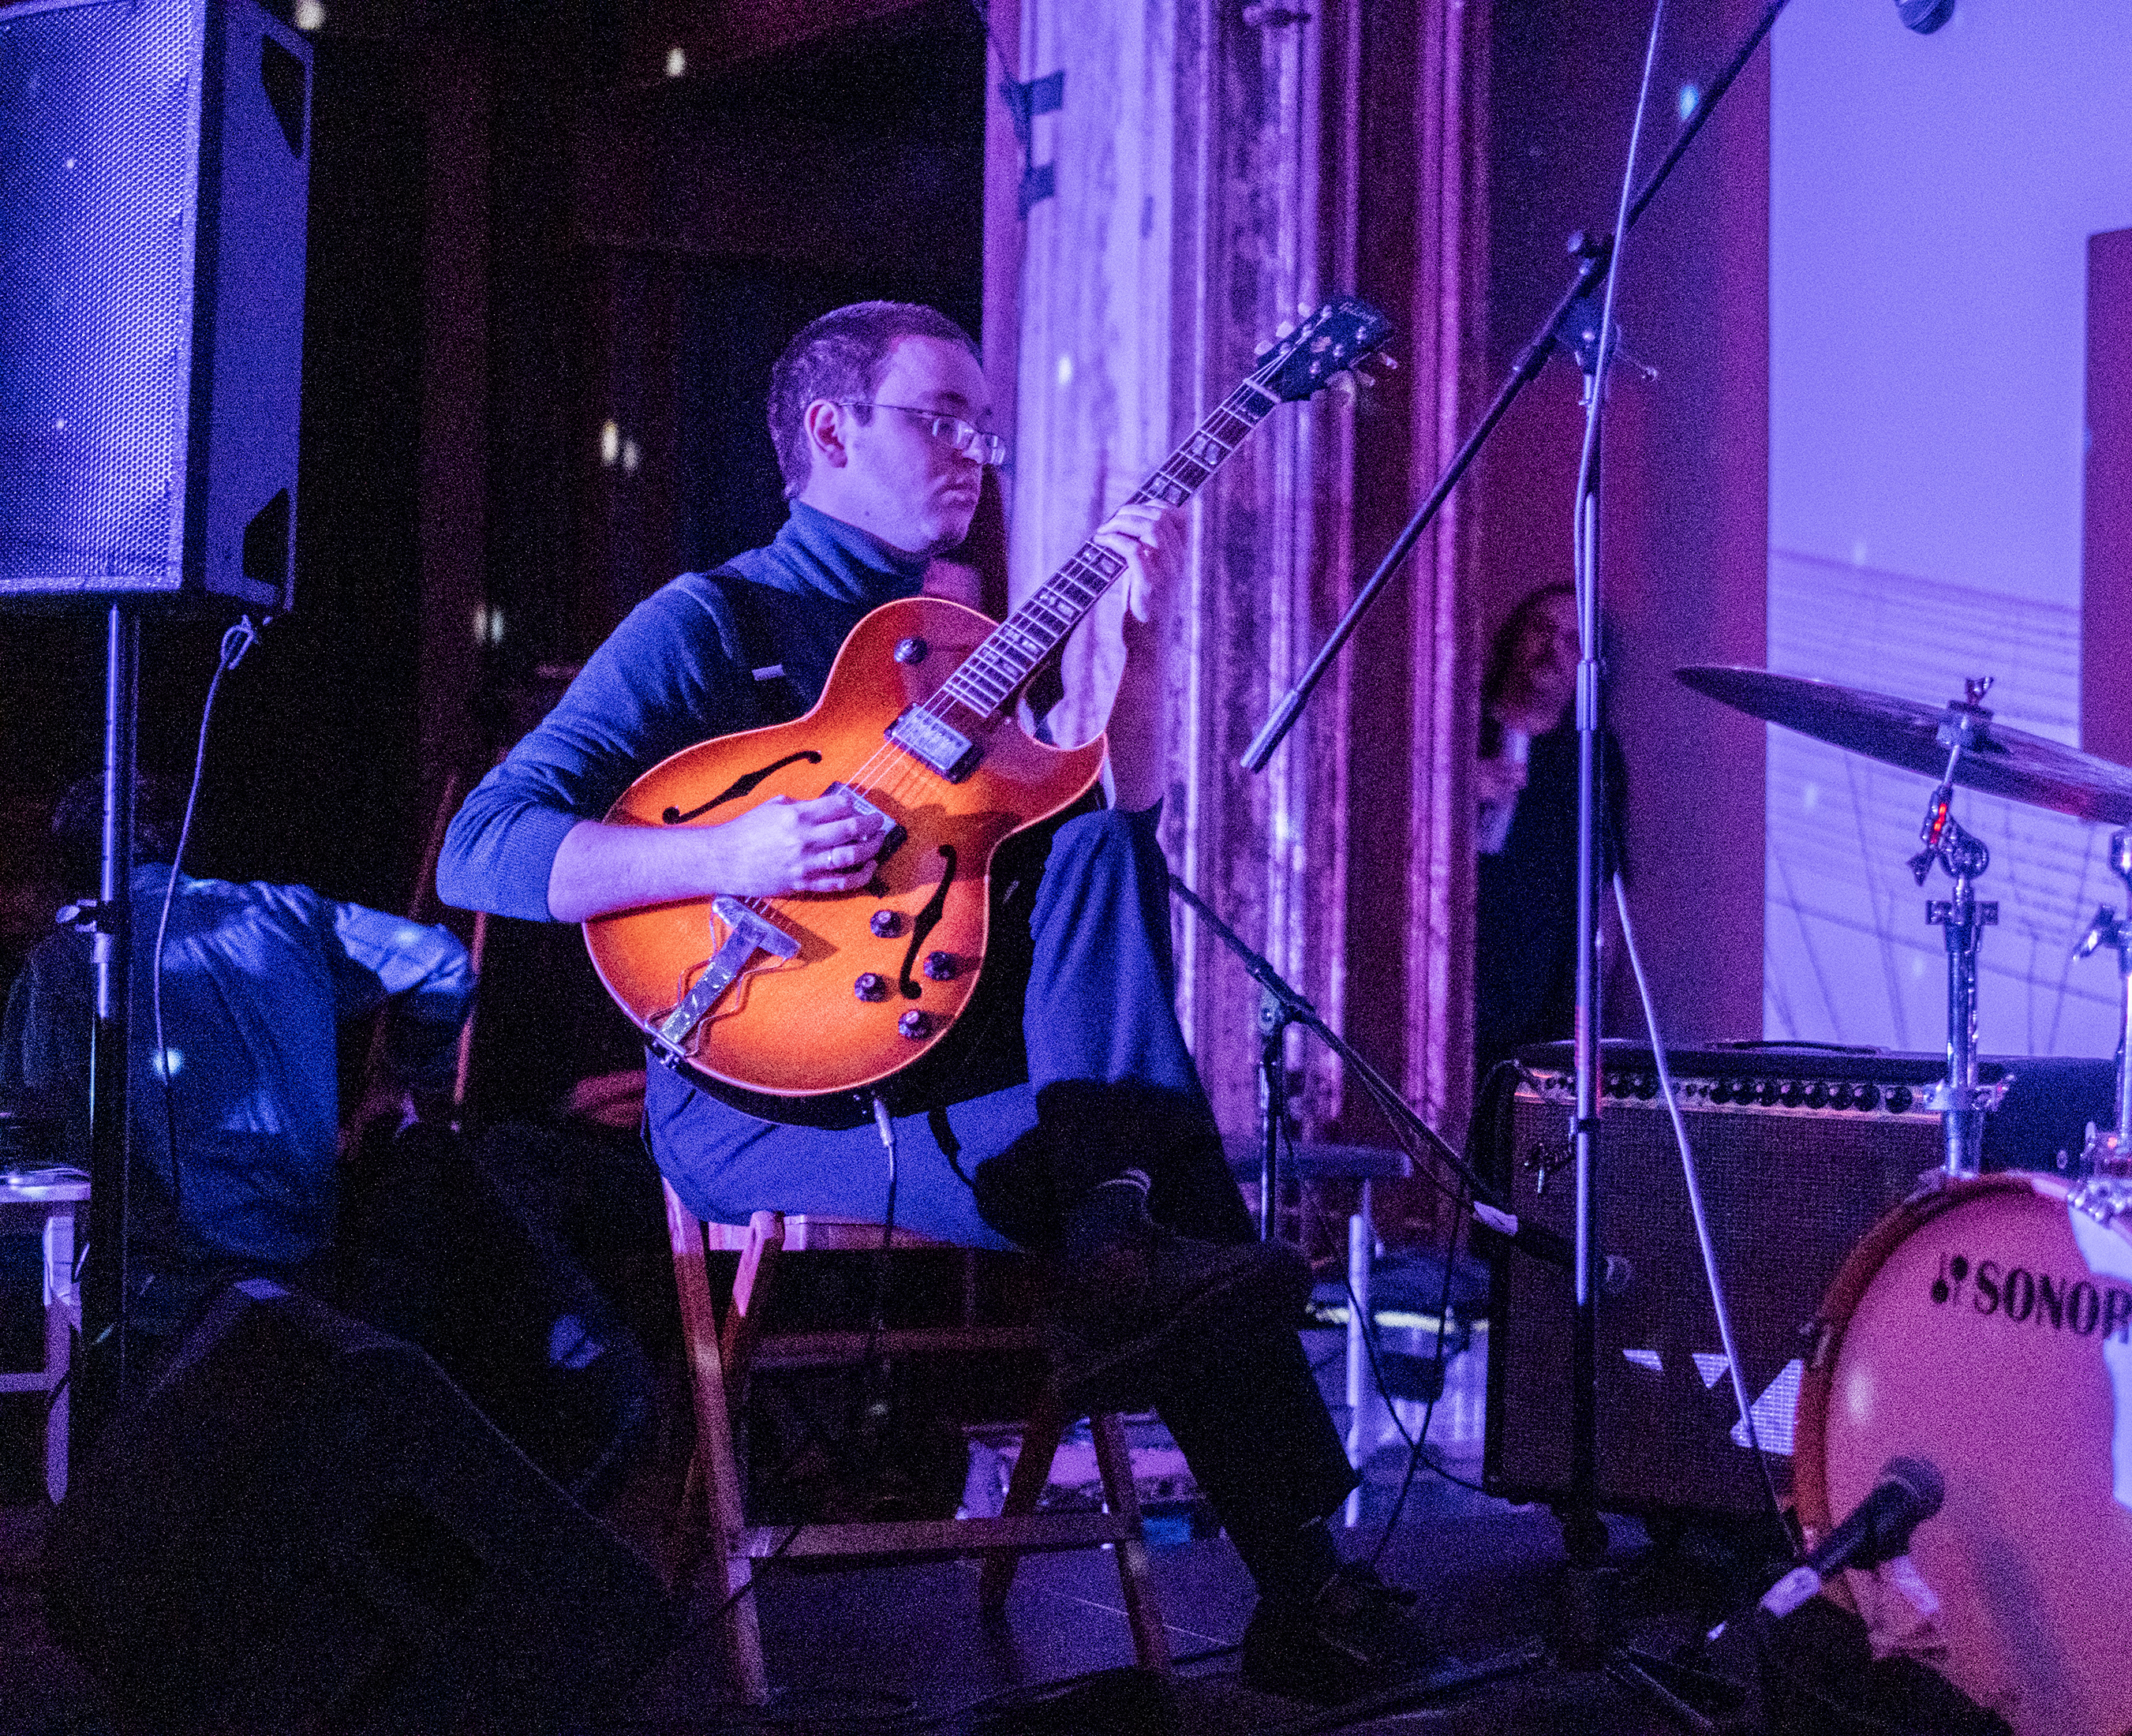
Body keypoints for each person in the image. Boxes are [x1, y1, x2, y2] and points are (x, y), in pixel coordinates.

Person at [435, 301, 1434, 1702]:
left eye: (983, 422)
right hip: (752, 1092)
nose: (975, 448)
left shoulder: (955, 637)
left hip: (941, 1059)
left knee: (1099, 942)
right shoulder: (711, 621)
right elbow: (482, 843)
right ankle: (1302, 1575)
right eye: (939, 417)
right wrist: (737, 849)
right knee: (1142, 1158)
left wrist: (1136, 668)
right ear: (831, 430)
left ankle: (1120, 1248)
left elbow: (1107, 832)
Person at [2, 774, 474, 1364]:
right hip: (306, 1274)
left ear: (70, 863)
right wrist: (396, 1083)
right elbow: (443, 961)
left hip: (159, 1301)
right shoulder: (288, 912)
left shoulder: (71, 956)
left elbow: (39, 1138)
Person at [1474, 582, 1629, 1079]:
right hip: (1451, 982)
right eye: (1541, 630)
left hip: (1539, 1007)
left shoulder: (1592, 759)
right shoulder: (1453, 727)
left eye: (1573, 642)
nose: (1553, 649)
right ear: (1514, 638)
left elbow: (1604, 895)